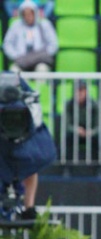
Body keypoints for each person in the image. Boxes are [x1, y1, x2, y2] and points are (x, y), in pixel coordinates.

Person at [0, 71, 56, 220]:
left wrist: (27, 132)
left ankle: (28, 208)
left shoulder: (15, 80)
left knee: (32, 161)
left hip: (24, 137)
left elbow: (35, 109)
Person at [2, 0, 58, 73]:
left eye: (30, 14)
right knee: (14, 70)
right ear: (22, 14)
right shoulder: (15, 25)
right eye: (25, 14)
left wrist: (43, 55)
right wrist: (16, 56)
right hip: (21, 61)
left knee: (42, 69)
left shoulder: (44, 24)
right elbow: (7, 44)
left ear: (35, 13)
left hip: (40, 61)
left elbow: (53, 44)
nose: (28, 17)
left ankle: (41, 85)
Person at [63, 81, 101, 175]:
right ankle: (67, 168)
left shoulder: (94, 104)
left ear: (86, 92)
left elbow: (98, 125)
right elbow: (66, 125)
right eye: (78, 90)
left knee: (98, 139)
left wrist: (90, 132)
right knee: (68, 137)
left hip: (90, 133)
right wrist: (76, 129)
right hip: (75, 132)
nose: (80, 93)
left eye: (82, 90)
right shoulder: (69, 104)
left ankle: (98, 169)